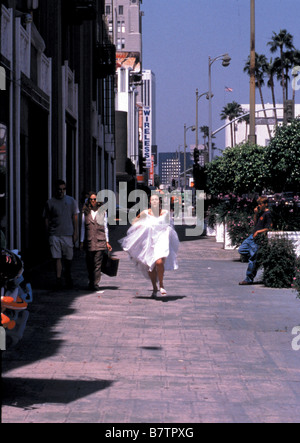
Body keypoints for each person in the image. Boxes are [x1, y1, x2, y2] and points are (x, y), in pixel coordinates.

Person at [120, 194, 179, 297]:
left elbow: (170, 225)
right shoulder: (145, 213)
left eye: (157, 200)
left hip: (161, 240)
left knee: (159, 262)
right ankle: (154, 288)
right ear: (150, 202)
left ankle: (161, 284)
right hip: (149, 241)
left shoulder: (165, 213)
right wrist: (141, 226)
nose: (155, 201)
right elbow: (134, 221)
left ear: (160, 202)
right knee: (150, 266)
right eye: (153, 200)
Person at [43, 180, 79, 289]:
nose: (61, 191)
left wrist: (76, 232)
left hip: (67, 233)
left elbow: (75, 217)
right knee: (56, 257)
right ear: (56, 190)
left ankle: (67, 275)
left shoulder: (71, 201)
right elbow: (46, 218)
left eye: (63, 189)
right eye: (59, 189)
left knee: (68, 257)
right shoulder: (50, 202)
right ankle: (58, 279)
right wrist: (48, 232)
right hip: (55, 234)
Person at [80, 191, 112, 291]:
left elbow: (106, 227)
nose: (93, 201)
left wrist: (107, 241)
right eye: (91, 199)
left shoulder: (103, 212)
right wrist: (81, 241)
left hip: (100, 240)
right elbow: (82, 228)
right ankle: (91, 281)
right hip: (89, 241)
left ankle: (95, 283)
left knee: (97, 263)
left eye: (95, 199)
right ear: (89, 201)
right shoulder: (85, 212)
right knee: (90, 263)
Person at [239, 196, 273, 285]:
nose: (259, 206)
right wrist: (255, 213)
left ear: (265, 204)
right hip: (252, 237)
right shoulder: (261, 213)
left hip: (257, 238)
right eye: (258, 204)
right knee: (241, 249)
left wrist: (258, 232)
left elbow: (269, 228)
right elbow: (255, 223)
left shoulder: (268, 214)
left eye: (260, 204)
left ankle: (248, 279)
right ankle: (258, 258)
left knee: (252, 259)